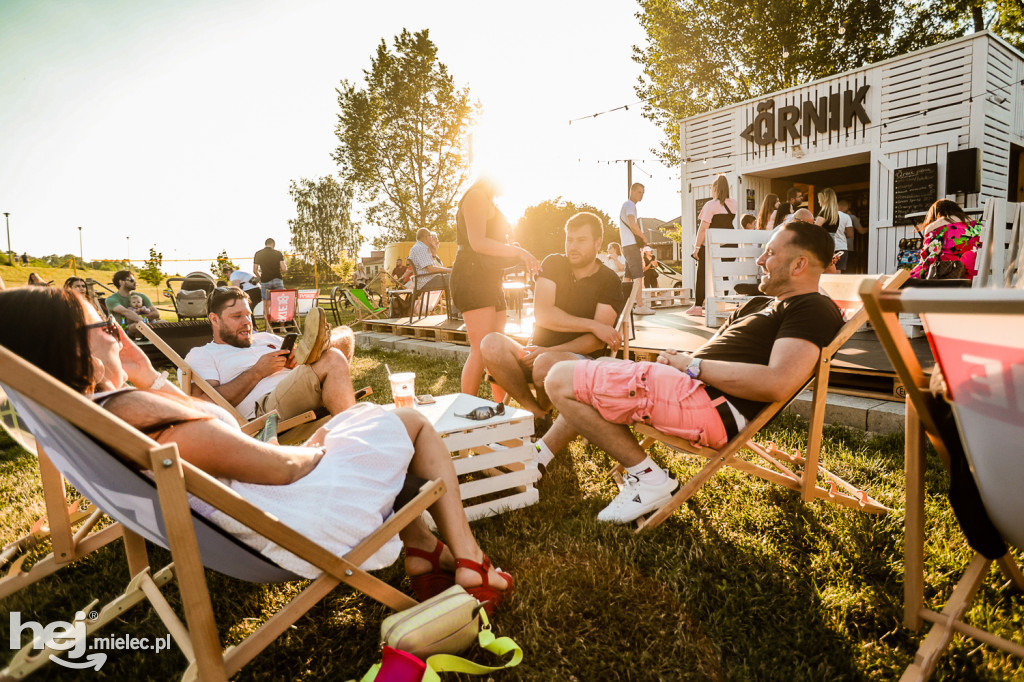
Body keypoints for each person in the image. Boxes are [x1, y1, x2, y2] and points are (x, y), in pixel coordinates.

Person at [0, 286, 513, 613]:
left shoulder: (95, 415)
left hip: (266, 509)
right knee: (410, 423)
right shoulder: (141, 419)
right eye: (105, 327)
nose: (117, 336)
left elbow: (205, 429)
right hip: (297, 519)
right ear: (74, 348)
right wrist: (318, 446)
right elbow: (278, 467)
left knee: (365, 425)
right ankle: (469, 560)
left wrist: (146, 374)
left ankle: (423, 553)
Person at [545, 221, 844, 523]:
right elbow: (710, 353)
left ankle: (649, 479)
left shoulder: (811, 308)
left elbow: (778, 382)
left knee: (560, 378)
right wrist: (682, 361)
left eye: (770, 253)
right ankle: (541, 456)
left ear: (799, 264)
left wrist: (691, 366)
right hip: (689, 388)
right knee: (592, 371)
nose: (760, 260)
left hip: (710, 407)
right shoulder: (759, 303)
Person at [481, 211, 624, 425]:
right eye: (569, 239)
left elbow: (595, 340)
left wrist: (547, 351)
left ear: (598, 243)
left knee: (543, 364)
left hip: (579, 360)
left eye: (581, 240)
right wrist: (592, 325)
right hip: (535, 351)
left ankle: (541, 416)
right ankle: (539, 415)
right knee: (490, 343)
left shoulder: (608, 280)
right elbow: (544, 315)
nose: (573, 246)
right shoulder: (554, 263)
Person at [184, 288, 355, 421]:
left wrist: (297, 358)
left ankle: (317, 346)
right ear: (214, 319)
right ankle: (352, 432)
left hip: (301, 387)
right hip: (266, 410)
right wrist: (257, 372)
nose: (247, 323)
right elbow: (202, 405)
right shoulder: (202, 354)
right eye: (237, 316)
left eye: (248, 315)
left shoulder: (265, 337)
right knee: (332, 357)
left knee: (345, 335)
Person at [449, 179, 540, 397]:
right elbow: (478, 243)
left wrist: (511, 249)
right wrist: (519, 252)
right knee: (480, 349)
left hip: (489, 279)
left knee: (495, 351)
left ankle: (499, 411)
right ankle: (465, 410)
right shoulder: (476, 196)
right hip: (472, 277)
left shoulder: (488, 199)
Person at [687, 174, 738, 317]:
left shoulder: (711, 205)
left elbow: (703, 228)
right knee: (723, 273)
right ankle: (721, 303)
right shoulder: (734, 203)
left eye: (711, 188)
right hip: (730, 245)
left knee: (702, 273)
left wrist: (696, 248)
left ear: (715, 188)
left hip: (713, 246)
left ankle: (697, 306)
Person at [908, 199, 981, 281]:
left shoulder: (935, 227)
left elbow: (928, 259)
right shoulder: (977, 225)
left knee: (906, 280)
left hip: (949, 277)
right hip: (977, 275)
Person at [619, 183, 654, 315]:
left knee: (628, 276)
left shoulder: (626, 205)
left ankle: (623, 303)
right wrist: (643, 238)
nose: (641, 195)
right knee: (638, 275)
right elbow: (632, 224)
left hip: (626, 245)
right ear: (631, 191)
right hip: (631, 245)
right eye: (639, 192)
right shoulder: (630, 205)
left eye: (643, 193)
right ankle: (640, 305)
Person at [105, 270, 160, 334]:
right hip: (125, 330)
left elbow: (156, 313)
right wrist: (144, 321)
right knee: (137, 326)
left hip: (148, 324)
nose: (135, 282)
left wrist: (140, 319)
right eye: (131, 280)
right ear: (121, 282)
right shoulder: (111, 299)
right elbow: (126, 312)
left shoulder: (141, 296)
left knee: (163, 323)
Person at [814, 188, 853, 272]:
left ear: (824, 199)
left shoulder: (824, 212)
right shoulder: (835, 214)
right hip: (832, 243)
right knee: (834, 271)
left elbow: (815, 229)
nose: (818, 202)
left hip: (824, 244)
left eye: (819, 199)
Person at [408, 227, 451, 297]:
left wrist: (433, 253)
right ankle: (462, 307)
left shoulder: (419, 247)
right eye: (430, 236)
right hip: (426, 281)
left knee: (455, 277)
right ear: (426, 238)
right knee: (457, 278)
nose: (432, 238)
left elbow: (431, 267)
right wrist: (451, 270)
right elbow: (431, 269)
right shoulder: (421, 248)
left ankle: (457, 306)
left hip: (426, 280)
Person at [253, 238, 287, 303]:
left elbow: (255, 270)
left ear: (265, 244)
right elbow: (284, 269)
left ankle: (266, 313)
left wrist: (260, 279)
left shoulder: (258, 253)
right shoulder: (278, 253)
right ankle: (277, 313)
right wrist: (285, 263)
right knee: (279, 302)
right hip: (277, 280)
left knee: (266, 303)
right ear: (273, 244)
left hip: (265, 280)